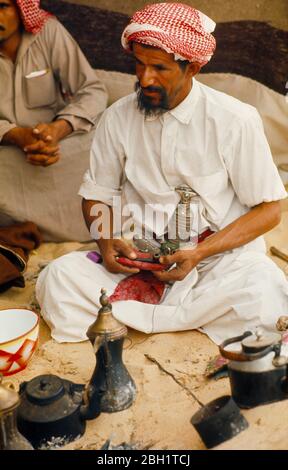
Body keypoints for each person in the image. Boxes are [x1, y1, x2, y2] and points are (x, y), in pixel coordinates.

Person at [36, 2, 288, 344]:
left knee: (265, 292)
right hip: (147, 259)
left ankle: (147, 315)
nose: (145, 78)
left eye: (160, 68)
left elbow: (270, 210)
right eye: (139, 65)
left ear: (193, 68)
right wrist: (106, 241)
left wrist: (199, 253)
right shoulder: (117, 118)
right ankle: (175, 315)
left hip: (219, 261)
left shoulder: (235, 120)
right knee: (58, 277)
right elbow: (98, 193)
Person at [0, 0, 107, 241]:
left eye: (2, 6)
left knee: (108, 135)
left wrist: (58, 129)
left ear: (21, 9)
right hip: (7, 155)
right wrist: (14, 134)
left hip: (60, 149)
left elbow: (92, 91)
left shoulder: (48, 31)